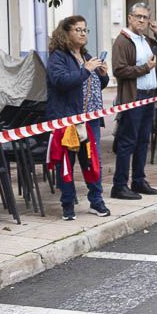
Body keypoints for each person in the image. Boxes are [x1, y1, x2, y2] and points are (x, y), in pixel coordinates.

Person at [46, 16, 110, 221]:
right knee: (66, 162)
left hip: (90, 118)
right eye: (78, 29)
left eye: (85, 30)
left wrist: (103, 74)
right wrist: (86, 70)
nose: (83, 33)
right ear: (66, 33)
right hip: (68, 119)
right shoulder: (59, 56)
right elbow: (61, 81)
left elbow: (95, 85)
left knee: (92, 161)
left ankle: (96, 202)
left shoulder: (85, 55)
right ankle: (68, 206)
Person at [110, 2, 157, 201]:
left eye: (145, 17)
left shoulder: (146, 39)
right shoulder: (122, 40)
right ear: (129, 17)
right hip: (133, 96)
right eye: (137, 16)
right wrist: (145, 68)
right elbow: (118, 70)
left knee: (143, 140)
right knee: (127, 141)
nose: (141, 20)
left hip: (150, 95)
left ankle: (138, 180)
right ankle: (119, 185)